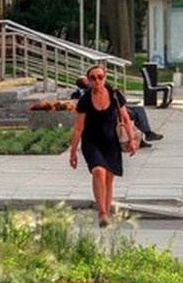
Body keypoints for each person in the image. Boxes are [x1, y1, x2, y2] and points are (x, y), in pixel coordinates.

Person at [69, 65, 137, 228]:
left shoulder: (114, 95)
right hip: (91, 142)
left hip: (111, 142)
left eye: (100, 77)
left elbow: (126, 118)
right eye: (93, 78)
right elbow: (78, 127)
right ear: (89, 81)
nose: (97, 81)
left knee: (108, 179)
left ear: (105, 78)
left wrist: (132, 140)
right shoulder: (84, 101)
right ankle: (102, 214)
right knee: (98, 171)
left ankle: (105, 213)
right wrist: (73, 152)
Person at [72, 76, 163, 147]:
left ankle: (146, 134)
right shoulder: (90, 90)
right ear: (85, 83)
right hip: (111, 110)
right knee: (133, 114)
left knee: (139, 109)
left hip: (117, 105)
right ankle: (144, 135)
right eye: (87, 79)